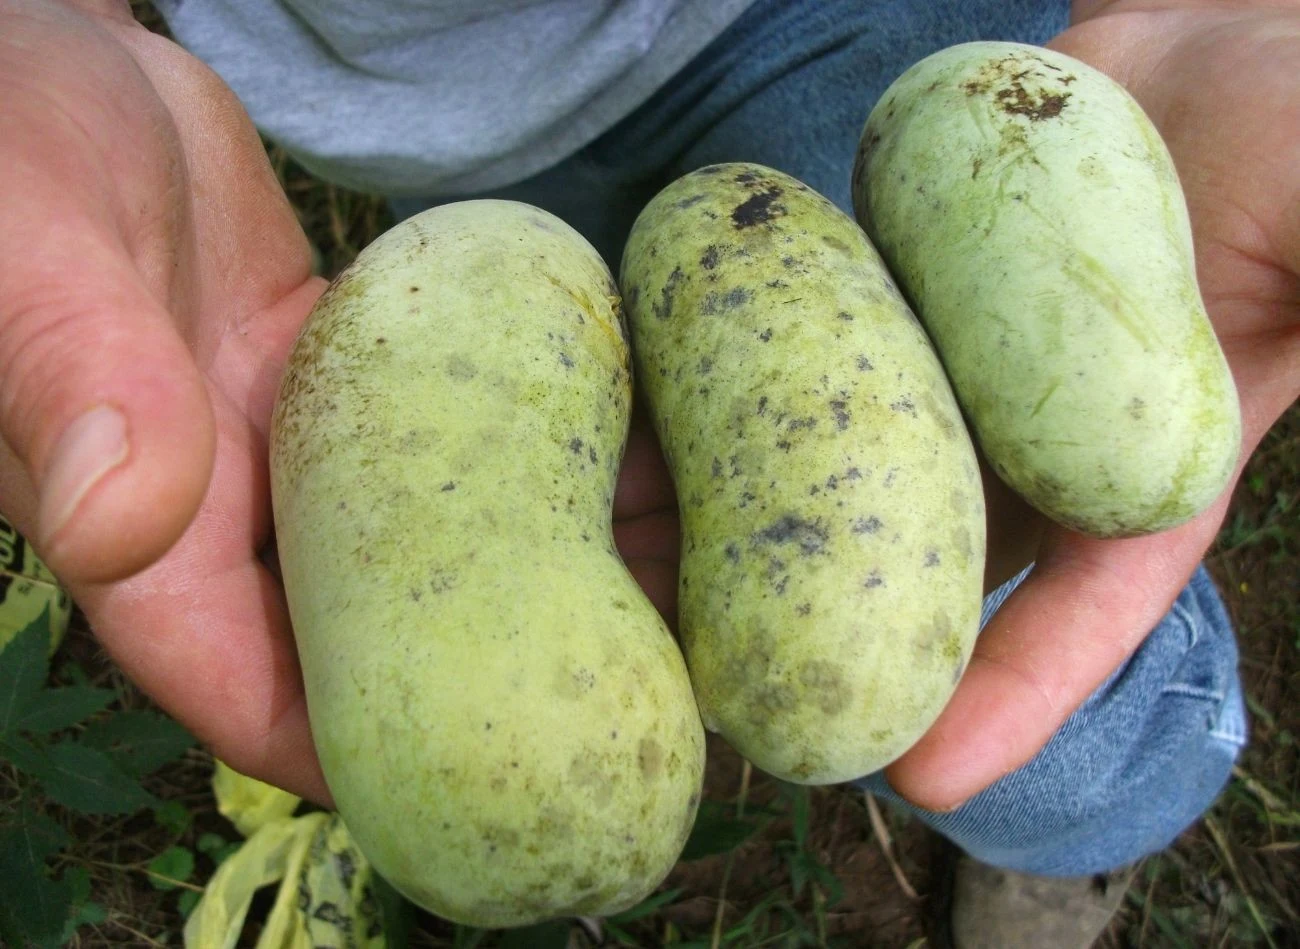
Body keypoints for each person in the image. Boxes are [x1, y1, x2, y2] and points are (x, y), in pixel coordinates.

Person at [2, 0, 1296, 943]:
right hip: (445, 135)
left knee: (1027, 650)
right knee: (880, 657)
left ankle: (1111, 805)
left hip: (839, 22)